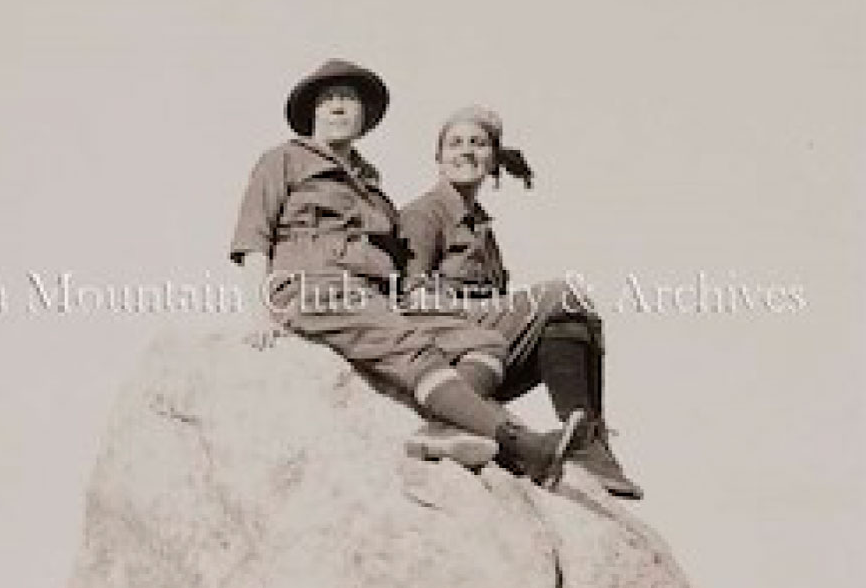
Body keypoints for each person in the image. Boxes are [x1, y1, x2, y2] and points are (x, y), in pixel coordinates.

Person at [229, 60, 585, 484]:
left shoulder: (374, 190)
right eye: (328, 100)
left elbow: (401, 266)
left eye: (349, 99)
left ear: (364, 117)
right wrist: (261, 313)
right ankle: (522, 448)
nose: (339, 106)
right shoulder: (283, 160)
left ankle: (446, 428)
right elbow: (253, 237)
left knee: (482, 341)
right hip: (314, 288)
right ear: (313, 113)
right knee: (410, 346)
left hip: (376, 299)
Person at [399, 106, 642, 499]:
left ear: (493, 158)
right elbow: (411, 298)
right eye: (455, 144)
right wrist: (473, 313)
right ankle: (587, 443)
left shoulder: (481, 228)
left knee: (574, 321)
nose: (466, 152)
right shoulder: (424, 214)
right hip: (446, 345)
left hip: (485, 347)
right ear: (439, 158)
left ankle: (591, 441)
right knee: (566, 293)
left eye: (478, 144)